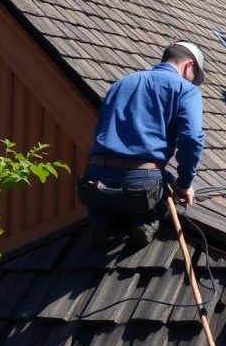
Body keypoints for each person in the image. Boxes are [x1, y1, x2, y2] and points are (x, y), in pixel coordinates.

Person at [78, 40, 205, 249]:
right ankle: (146, 221)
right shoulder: (185, 90)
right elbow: (191, 138)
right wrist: (184, 184)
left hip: (94, 180)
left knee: (109, 196)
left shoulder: (122, 83)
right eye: (194, 76)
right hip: (139, 186)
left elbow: (100, 129)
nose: (192, 82)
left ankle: (102, 220)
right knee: (161, 189)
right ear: (188, 65)